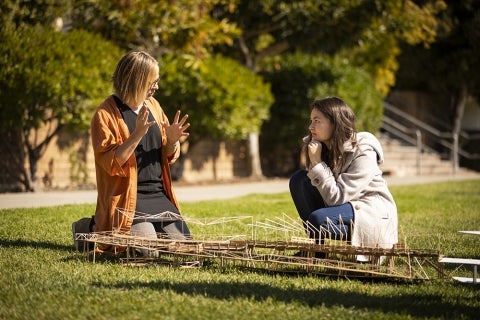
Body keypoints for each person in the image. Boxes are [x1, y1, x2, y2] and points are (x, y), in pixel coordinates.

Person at [72, 50, 191, 254]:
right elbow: (111, 163)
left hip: (158, 195)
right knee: (147, 253)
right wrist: (136, 135)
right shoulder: (105, 115)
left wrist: (171, 141)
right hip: (129, 201)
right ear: (136, 80)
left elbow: (168, 155)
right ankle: (90, 227)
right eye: (152, 82)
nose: (157, 87)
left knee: (185, 250)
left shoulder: (153, 105)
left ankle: (101, 226)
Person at [289, 97, 398, 260]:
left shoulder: (364, 152)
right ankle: (318, 251)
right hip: (345, 205)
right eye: (311, 120)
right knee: (299, 180)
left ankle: (365, 245)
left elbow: (336, 198)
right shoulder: (323, 147)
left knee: (317, 219)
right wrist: (316, 160)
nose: (311, 127)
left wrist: (318, 162)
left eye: (317, 121)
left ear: (335, 123)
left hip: (369, 211)